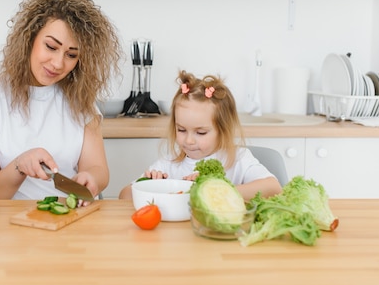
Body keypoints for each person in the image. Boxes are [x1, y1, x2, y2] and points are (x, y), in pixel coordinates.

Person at [0, 0, 123, 202]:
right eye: (51, 47)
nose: (58, 63)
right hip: (10, 221)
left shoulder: (79, 99)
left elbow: (98, 169)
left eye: (71, 55)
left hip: (69, 215)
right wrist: (19, 166)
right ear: (29, 39)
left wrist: (91, 178)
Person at [119, 70, 282, 201]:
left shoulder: (238, 159)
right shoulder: (168, 164)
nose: (189, 140)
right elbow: (124, 195)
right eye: (181, 130)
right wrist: (151, 186)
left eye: (201, 132)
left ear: (223, 129)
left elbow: (273, 188)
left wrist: (217, 190)